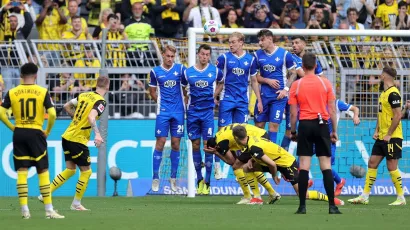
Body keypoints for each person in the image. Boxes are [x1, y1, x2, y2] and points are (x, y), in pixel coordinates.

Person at [0, 63, 64, 219]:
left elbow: (1, 113)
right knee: (43, 171)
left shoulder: (12, 92)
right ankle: (49, 210)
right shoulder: (42, 91)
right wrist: (47, 131)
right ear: (36, 75)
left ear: (21, 75)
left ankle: (25, 210)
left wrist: (13, 127)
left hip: (19, 132)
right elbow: (53, 114)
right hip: (36, 132)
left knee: (22, 171)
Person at [38, 76, 110, 210]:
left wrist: (76, 117)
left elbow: (67, 106)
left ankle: (45, 193)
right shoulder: (101, 101)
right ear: (108, 87)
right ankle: (76, 204)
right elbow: (91, 117)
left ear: (96, 85)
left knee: (70, 170)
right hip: (77, 139)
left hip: (67, 136)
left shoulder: (84, 95)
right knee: (86, 172)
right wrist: (98, 134)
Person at [231, 125, 344, 206]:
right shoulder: (252, 139)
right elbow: (264, 152)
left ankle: (331, 199)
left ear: (236, 138)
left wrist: (274, 175)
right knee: (246, 167)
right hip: (276, 160)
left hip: (286, 163)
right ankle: (257, 198)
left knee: (303, 195)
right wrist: (252, 159)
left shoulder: (252, 147)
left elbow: (272, 164)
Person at [288, 52, 341, 214]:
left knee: (303, 166)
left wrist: (293, 130)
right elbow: (332, 109)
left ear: (302, 66)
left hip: (304, 125)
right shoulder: (325, 83)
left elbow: (293, 113)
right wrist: (334, 131)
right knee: (325, 166)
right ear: (316, 65)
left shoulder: (296, 85)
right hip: (321, 125)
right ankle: (332, 206)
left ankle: (302, 206)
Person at [348, 67, 406, 205]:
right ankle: (365, 196)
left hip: (393, 137)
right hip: (382, 136)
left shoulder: (393, 94)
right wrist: (377, 130)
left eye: (381, 74)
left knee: (392, 166)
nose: (380, 76)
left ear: (384, 76)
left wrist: (389, 134)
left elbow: (398, 115)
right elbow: (381, 114)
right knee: (372, 162)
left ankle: (401, 197)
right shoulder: (383, 94)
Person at [213, 32, 262, 180]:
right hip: (227, 99)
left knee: (242, 136)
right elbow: (218, 79)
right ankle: (217, 167)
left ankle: (243, 168)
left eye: (233, 42)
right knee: (221, 133)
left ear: (241, 42)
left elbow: (253, 81)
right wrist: (214, 95)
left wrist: (259, 100)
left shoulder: (250, 60)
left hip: (242, 101)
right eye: (229, 42)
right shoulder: (224, 58)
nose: (231, 44)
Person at [181, 44, 223, 195]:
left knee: (209, 145)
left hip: (207, 114)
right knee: (195, 145)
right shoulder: (188, 72)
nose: (204, 57)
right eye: (202, 54)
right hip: (192, 113)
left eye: (207, 54)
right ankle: (198, 178)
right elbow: (183, 88)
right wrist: (187, 100)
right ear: (198, 54)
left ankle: (207, 181)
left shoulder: (215, 70)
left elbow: (221, 81)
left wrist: (214, 95)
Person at [205, 123, 280, 205]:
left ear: (215, 147)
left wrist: (216, 153)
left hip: (256, 139)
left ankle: (250, 197)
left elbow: (231, 161)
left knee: (237, 166)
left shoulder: (220, 142)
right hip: (262, 135)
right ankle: (272, 193)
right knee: (252, 166)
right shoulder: (222, 134)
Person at [149, 45, 186, 192]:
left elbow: (185, 88)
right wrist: (161, 103)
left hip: (178, 112)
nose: (170, 59)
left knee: (176, 144)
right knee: (161, 142)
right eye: (168, 56)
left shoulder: (181, 70)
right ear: (163, 55)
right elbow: (152, 91)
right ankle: (156, 177)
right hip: (163, 112)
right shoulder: (155, 72)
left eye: (172, 56)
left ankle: (173, 178)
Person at [253, 29, 296, 144]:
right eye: (259, 41)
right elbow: (255, 77)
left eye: (262, 40)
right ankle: (259, 156)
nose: (260, 43)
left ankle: (271, 156)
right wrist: (267, 80)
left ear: (270, 39)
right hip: (263, 96)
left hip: (279, 97)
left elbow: (293, 73)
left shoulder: (284, 54)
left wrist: (285, 90)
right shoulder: (257, 55)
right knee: (259, 126)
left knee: (273, 126)